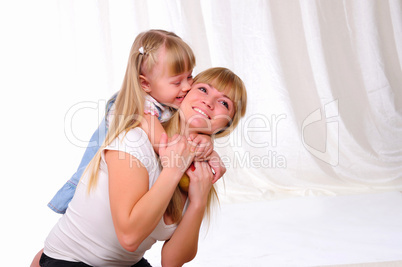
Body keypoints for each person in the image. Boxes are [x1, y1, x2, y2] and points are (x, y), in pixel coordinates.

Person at [31, 29, 222, 267]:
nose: (187, 87)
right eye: (177, 81)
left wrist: (204, 168)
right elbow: (166, 147)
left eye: (191, 77)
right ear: (145, 84)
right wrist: (184, 158)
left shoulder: (171, 114)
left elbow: (172, 262)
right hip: (74, 260)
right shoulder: (139, 117)